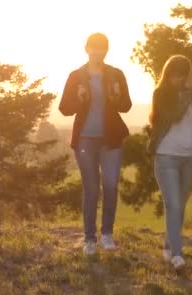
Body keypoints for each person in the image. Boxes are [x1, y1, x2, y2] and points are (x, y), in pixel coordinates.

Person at [58, 33, 132, 255]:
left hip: (111, 140)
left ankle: (107, 235)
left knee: (110, 185)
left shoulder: (116, 74)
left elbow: (126, 106)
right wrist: (78, 98)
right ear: (87, 49)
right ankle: (89, 239)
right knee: (91, 189)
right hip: (85, 140)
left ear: (107, 51)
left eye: (102, 48)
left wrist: (117, 96)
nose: (98, 52)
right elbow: (64, 108)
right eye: (94, 48)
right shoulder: (76, 76)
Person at [147, 55, 192, 270]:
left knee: (179, 207)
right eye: (174, 75)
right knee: (173, 204)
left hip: (189, 157)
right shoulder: (160, 94)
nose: (178, 79)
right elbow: (165, 119)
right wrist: (181, 103)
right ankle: (177, 254)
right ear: (167, 74)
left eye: (182, 75)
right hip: (166, 156)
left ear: (188, 75)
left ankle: (168, 245)